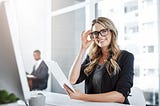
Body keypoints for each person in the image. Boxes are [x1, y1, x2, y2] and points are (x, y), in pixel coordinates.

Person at [64, 17, 134, 104]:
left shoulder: (126, 57)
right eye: (96, 33)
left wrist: (82, 97)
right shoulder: (92, 57)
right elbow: (72, 80)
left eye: (104, 31)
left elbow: (120, 96)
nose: (99, 36)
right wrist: (83, 49)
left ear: (112, 32)